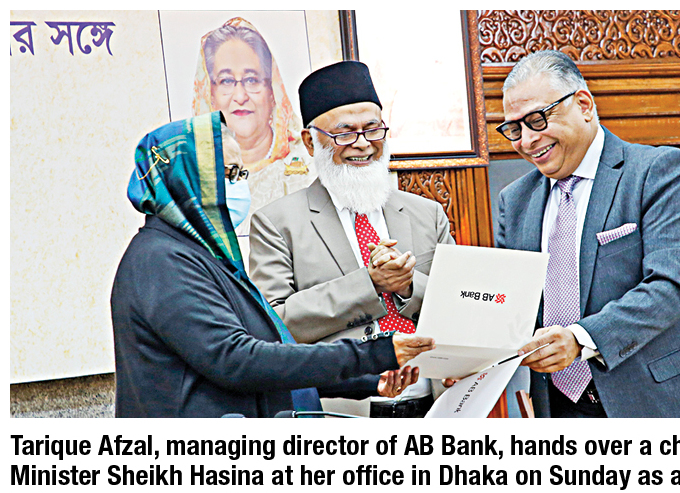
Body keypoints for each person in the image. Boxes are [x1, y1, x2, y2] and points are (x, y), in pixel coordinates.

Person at [111, 111, 434, 418]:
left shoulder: (203, 253)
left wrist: (366, 381)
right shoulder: (162, 260)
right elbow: (236, 360)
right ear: (187, 181)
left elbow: (270, 352)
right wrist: (373, 354)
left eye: (241, 173)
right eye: (228, 174)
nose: (239, 185)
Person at [495, 50, 680, 418]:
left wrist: (580, 339)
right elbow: (512, 308)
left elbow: (671, 287)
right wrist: (468, 361)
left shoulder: (656, 171)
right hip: (563, 411)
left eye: (537, 120)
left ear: (583, 105)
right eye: (514, 129)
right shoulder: (514, 201)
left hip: (664, 405)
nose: (527, 140)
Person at [249, 61, 455, 417]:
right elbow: (273, 329)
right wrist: (368, 284)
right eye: (344, 134)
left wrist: (408, 286)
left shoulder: (427, 213)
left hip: (434, 407)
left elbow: (457, 305)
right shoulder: (276, 223)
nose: (363, 144)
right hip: (343, 412)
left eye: (373, 130)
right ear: (310, 142)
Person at [193, 17, 316, 236]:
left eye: (251, 80)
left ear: (272, 91)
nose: (240, 96)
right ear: (210, 94)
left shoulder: (308, 163)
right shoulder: (193, 172)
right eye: (226, 81)